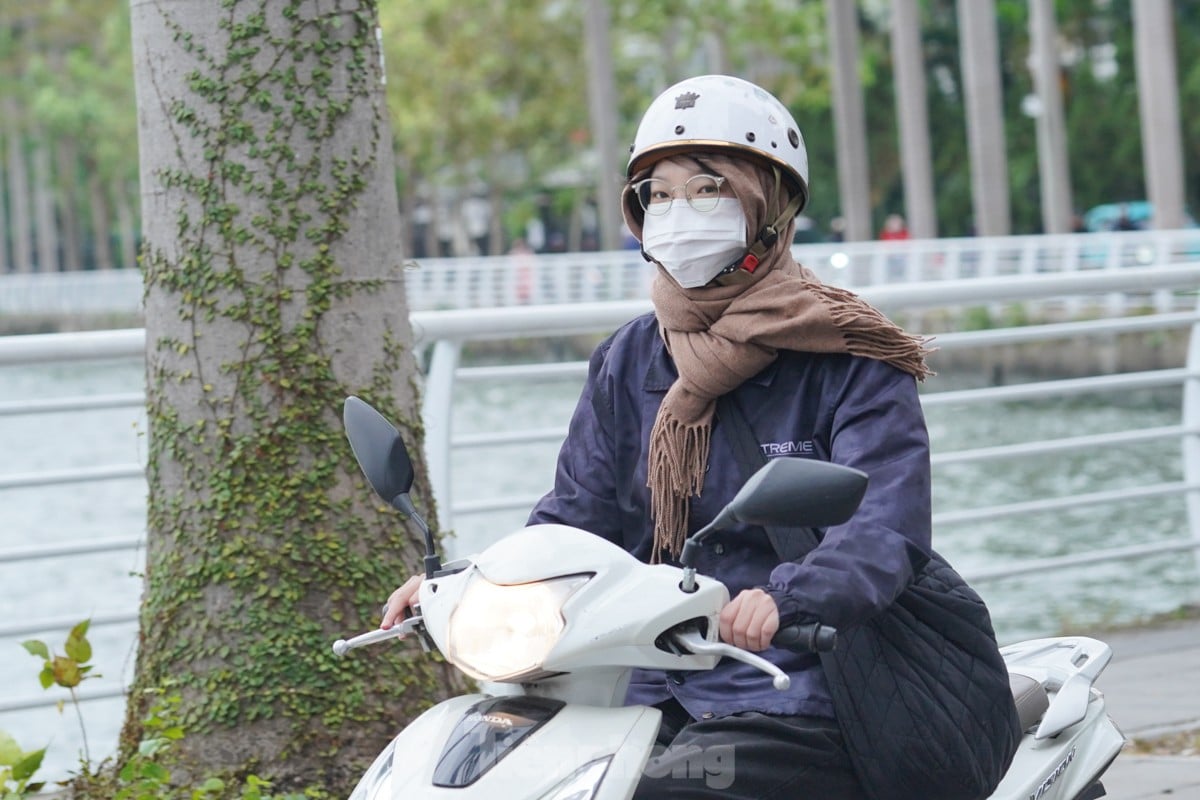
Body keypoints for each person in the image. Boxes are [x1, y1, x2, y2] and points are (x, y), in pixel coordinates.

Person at [382, 74, 1016, 799]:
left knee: (661, 792)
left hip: (802, 678)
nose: (678, 211)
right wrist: (470, 587)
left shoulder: (851, 358)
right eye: (657, 194)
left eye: (707, 188)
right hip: (646, 674)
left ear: (768, 204)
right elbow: (575, 517)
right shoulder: (630, 358)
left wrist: (787, 600)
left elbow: (885, 528)